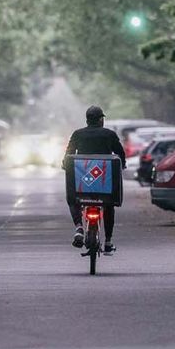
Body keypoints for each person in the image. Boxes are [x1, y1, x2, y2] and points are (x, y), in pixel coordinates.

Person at [61, 105, 125, 253]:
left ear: (87, 120)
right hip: (104, 184)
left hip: (83, 182)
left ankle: (79, 226)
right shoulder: (109, 134)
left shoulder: (77, 134)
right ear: (101, 120)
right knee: (108, 205)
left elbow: (68, 154)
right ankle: (108, 242)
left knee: (73, 198)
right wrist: (122, 165)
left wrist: (65, 165)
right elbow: (120, 153)